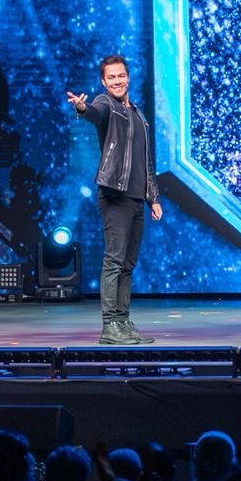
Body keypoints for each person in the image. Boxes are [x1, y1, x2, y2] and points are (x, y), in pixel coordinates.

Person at [68, 53, 163, 345]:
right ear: (103, 81)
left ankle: (123, 321)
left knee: (128, 264)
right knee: (114, 260)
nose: (117, 81)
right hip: (114, 194)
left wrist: (153, 197)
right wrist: (82, 108)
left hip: (136, 198)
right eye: (111, 77)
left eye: (121, 75)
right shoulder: (106, 103)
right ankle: (110, 325)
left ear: (128, 77)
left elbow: (146, 161)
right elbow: (95, 113)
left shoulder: (138, 115)